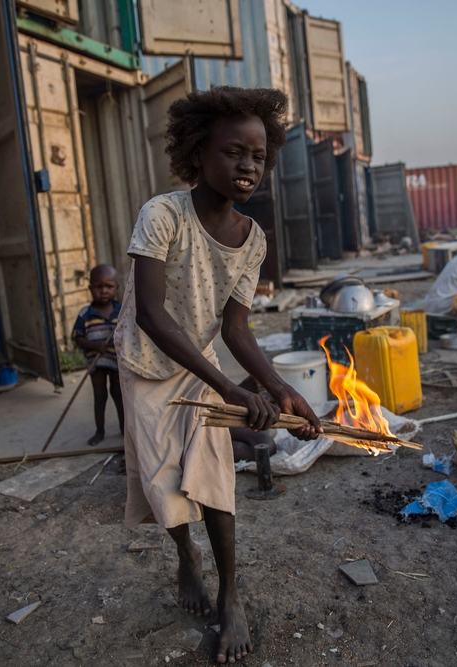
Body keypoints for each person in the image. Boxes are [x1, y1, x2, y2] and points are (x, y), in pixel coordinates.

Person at [113, 86, 321, 665]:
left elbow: (236, 328)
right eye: (234, 152)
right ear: (199, 150)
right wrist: (230, 386)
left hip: (199, 364)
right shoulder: (162, 215)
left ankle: (232, 595)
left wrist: (279, 389)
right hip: (146, 363)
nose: (247, 165)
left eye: (258, 155)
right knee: (164, 485)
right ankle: (187, 558)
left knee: (213, 477)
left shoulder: (253, 239)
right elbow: (152, 314)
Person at [72, 264, 124, 446]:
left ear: (116, 288)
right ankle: (99, 431)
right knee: (100, 395)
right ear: (90, 289)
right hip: (97, 361)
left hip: (117, 361)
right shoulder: (85, 314)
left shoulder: (122, 311)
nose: (103, 291)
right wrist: (94, 345)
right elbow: (77, 338)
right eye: (98, 287)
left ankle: (125, 429)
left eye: (108, 287)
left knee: (118, 393)